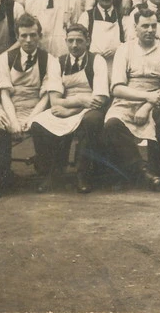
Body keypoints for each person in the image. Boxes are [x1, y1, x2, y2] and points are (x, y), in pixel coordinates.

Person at [104, 6, 160, 190]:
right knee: (112, 124)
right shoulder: (124, 49)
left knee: (158, 117)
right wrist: (146, 97)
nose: (150, 30)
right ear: (135, 27)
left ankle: (153, 167)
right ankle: (142, 170)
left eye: (153, 26)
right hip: (128, 98)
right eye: (145, 26)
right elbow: (117, 88)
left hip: (157, 98)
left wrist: (147, 105)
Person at [29, 23, 109, 194]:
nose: (74, 45)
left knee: (91, 120)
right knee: (38, 124)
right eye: (71, 41)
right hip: (71, 106)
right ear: (65, 41)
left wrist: (73, 110)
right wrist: (80, 100)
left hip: (89, 109)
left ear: (88, 41)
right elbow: (55, 99)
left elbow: (100, 98)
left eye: (79, 41)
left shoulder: (97, 60)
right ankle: (52, 172)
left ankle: (82, 174)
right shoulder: (58, 62)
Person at [0, 14, 51, 198]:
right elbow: (4, 93)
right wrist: (12, 121)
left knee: (45, 123)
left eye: (33, 35)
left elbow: (46, 96)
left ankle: (46, 173)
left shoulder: (48, 59)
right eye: (24, 36)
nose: (28, 40)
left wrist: (31, 118)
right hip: (10, 106)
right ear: (18, 37)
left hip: (36, 107)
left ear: (40, 36)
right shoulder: (5, 58)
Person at [79, 0, 125, 65]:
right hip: (92, 64)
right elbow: (79, 40)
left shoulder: (122, 17)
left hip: (116, 64)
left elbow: (130, 42)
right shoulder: (87, 16)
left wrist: (117, 48)